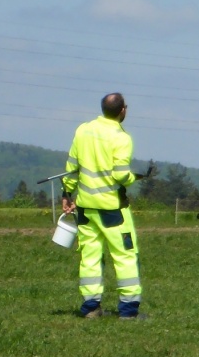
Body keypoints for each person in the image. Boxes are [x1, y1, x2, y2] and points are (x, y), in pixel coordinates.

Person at [61, 93, 155, 318]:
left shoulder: (83, 130)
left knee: (90, 257)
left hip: (85, 207)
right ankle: (128, 310)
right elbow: (121, 175)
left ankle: (91, 307)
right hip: (113, 209)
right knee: (125, 256)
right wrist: (135, 178)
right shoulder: (121, 137)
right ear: (123, 110)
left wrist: (67, 192)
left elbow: (72, 167)